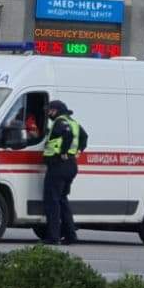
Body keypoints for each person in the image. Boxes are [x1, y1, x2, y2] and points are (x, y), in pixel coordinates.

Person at [42, 99, 80, 245]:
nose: (49, 113)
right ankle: (71, 235)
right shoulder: (73, 122)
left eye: (50, 110)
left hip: (58, 166)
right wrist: (76, 151)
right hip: (70, 165)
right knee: (62, 201)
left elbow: (67, 135)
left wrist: (63, 151)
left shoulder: (60, 122)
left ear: (56, 110)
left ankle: (53, 236)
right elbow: (83, 137)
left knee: (52, 202)